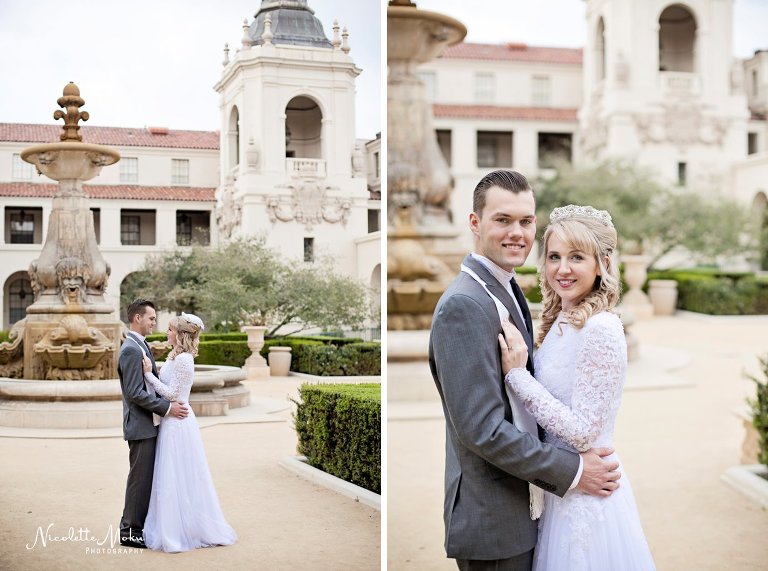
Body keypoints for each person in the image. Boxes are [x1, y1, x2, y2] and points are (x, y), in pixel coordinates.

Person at [428, 170, 621, 571]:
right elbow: (482, 429)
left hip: (533, 507)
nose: (517, 232)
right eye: (503, 220)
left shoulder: (506, 287)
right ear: (475, 223)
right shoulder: (465, 305)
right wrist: (573, 472)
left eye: (526, 221)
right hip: (495, 519)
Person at [500, 204, 655, 570]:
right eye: (554, 256)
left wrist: (517, 376)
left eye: (576, 257)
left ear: (601, 263)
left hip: (586, 496)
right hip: (562, 485)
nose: (562, 268)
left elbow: (584, 432)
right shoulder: (561, 320)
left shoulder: (601, 328)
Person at [141, 312, 237, 552]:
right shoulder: (175, 356)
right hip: (171, 419)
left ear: (182, 334)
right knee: (172, 473)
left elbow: (173, 394)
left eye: (171, 329)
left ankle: (180, 531)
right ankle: (172, 525)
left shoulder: (184, 360)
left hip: (178, 422)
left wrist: (147, 375)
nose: (167, 332)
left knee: (177, 473)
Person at [118, 299, 189, 549]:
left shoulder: (141, 346)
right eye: (151, 318)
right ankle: (129, 531)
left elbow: (148, 384)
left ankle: (138, 525)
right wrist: (168, 408)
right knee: (139, 479)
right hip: (140, 425)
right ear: (137, 318)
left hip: (150, 423)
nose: (154, 322)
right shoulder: (130, 349)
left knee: (145, 478)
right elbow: (135, 392)